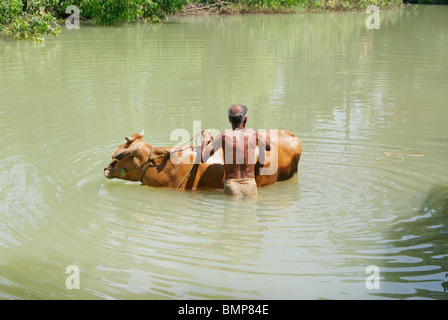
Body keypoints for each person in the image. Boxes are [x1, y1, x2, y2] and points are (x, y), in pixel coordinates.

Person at [201, 104, 270, 197]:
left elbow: (203, 157)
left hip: (231, 186)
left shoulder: (223, 136)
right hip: (250, 185)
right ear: (245, 119)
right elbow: (269, 147)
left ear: (229, 120)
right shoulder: (254, 134)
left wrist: (205, 139)